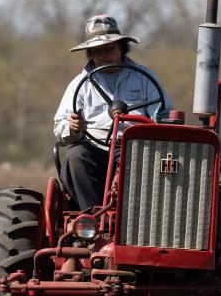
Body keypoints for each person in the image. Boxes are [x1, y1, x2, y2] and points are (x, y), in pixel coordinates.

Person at [54, 14, 172, 210]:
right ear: (90, 53)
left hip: (136, 147)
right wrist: (72, 128)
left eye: (108, 48)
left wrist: (152, 131)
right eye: (96, 51)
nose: (102, 55)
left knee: (153, 161)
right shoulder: (79, 85)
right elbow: (60, 126)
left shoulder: (144, 78)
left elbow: (162, 118)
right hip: (94, 148)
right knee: (76, 157)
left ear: (121, 48)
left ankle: (140, 217)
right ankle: (93, 219)